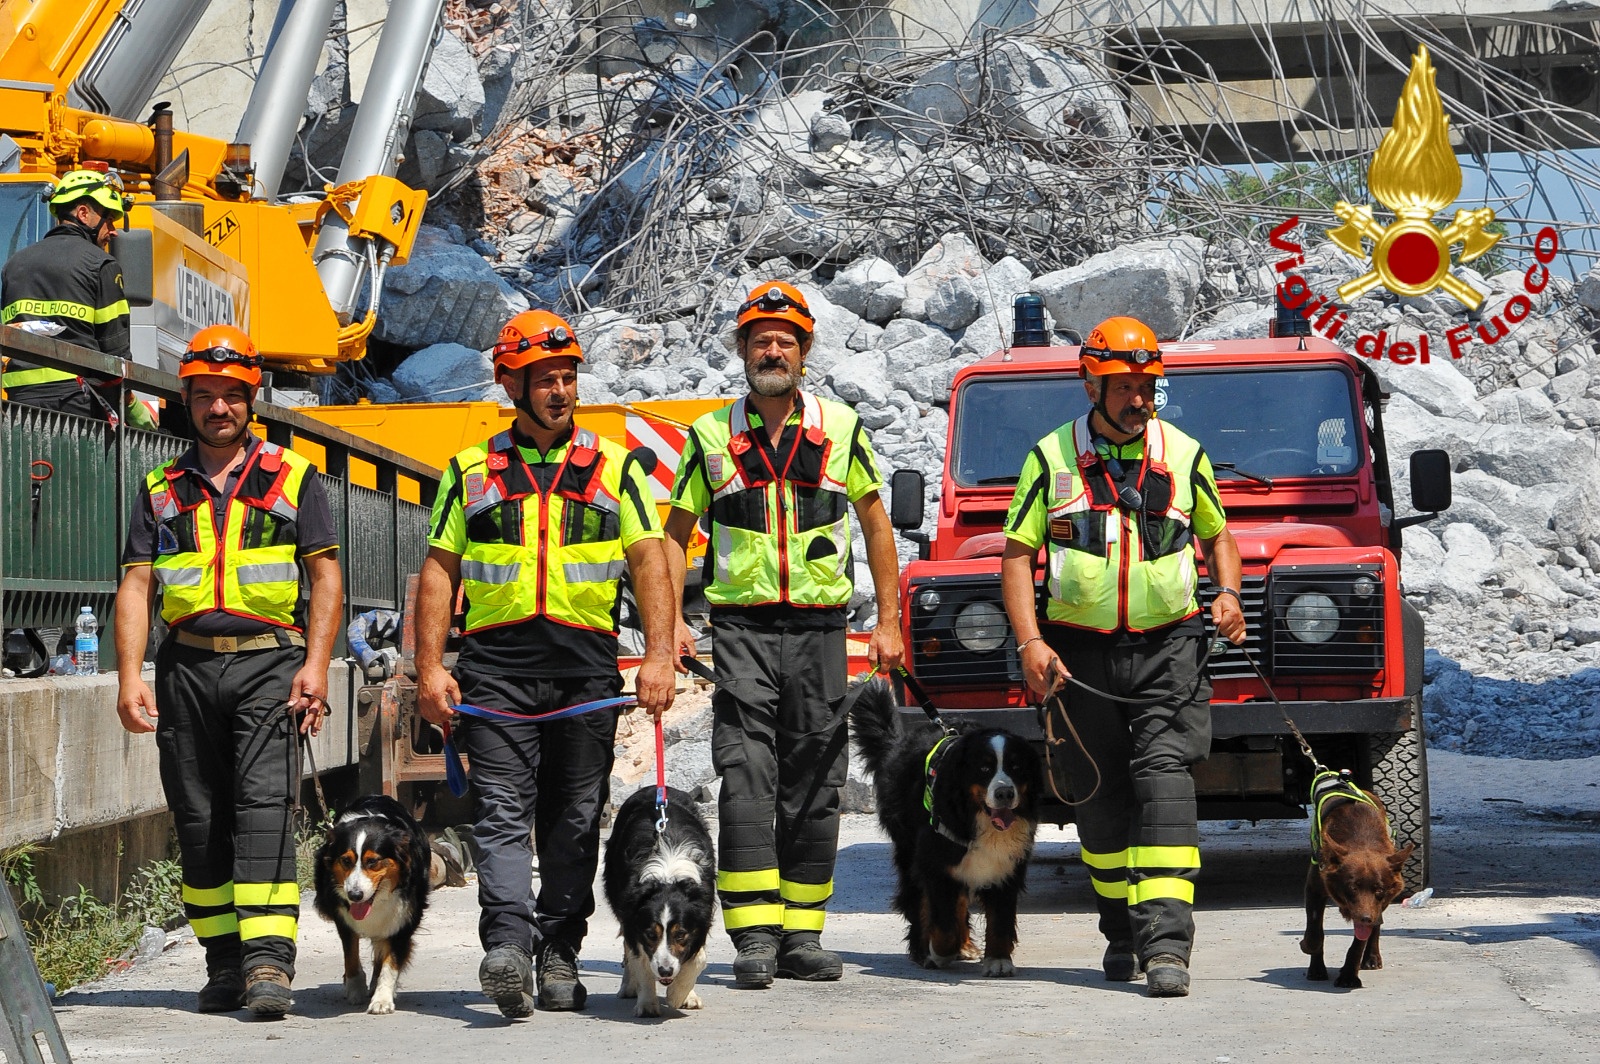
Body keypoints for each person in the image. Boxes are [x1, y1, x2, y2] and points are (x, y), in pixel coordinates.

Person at [414, 308, 678, 1018]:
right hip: (495, 671)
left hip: (585, 672)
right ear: (511, 384)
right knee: (501, 813)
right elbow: (438, 571)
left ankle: (559, 950)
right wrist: (430, 668)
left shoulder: (615, 467)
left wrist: (659, 655)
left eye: (568, 377)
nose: (560, 391)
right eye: (545, 379)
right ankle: (507, 945)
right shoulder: (469, 472)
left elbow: (649, 562)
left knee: (574, 818)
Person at [662, 280, 904, 987]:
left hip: (821, 631)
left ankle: (802, 935)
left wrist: (889, 621)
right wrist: (670, 621)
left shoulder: (841, 428)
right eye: (761, 339)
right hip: (741, 631)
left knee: (817, 781)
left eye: (786, 340)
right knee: (746, 779)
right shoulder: (711, 436)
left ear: (804, 352)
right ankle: (754, 937)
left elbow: (876, 524)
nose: (773, 350)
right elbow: (674, 534)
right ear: (742, 349)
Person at [999, 315, 1246, 998]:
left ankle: (1167, 946)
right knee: (1099, 800)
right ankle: (1121, 929)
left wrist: (1227, 593)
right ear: (1091, 385)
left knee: (1166, 783)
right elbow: (1017, 557)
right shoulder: (1050, 458)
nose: (1140, 399)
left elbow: (1219, 536)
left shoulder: (1184, 454)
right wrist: (1031, 642)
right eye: (1125, 388)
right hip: (1078, 657)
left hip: (1170, 648)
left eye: (1147, 387)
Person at [112, 325, 343, 1018]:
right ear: (185, 400)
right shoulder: (160, 488)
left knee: (264, 811)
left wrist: (317, 666)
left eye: (232, 395)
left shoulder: (293, 476)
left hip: (269, 663)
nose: (219, 408)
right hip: (184, 668)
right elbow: (135, 586)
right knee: (198, 817)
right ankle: (222, 964)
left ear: (252, 399)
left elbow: (325, 577)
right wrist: (130, 676)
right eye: (205, 395)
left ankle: (268, 963)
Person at [0, 168, 146, 423]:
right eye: (109, 219)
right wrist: (133, 410)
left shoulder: (13, 265)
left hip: (18, 406)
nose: (113, 231)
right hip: (79, 406)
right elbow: (116, 352)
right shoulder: (101, 264)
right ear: (83, 213)